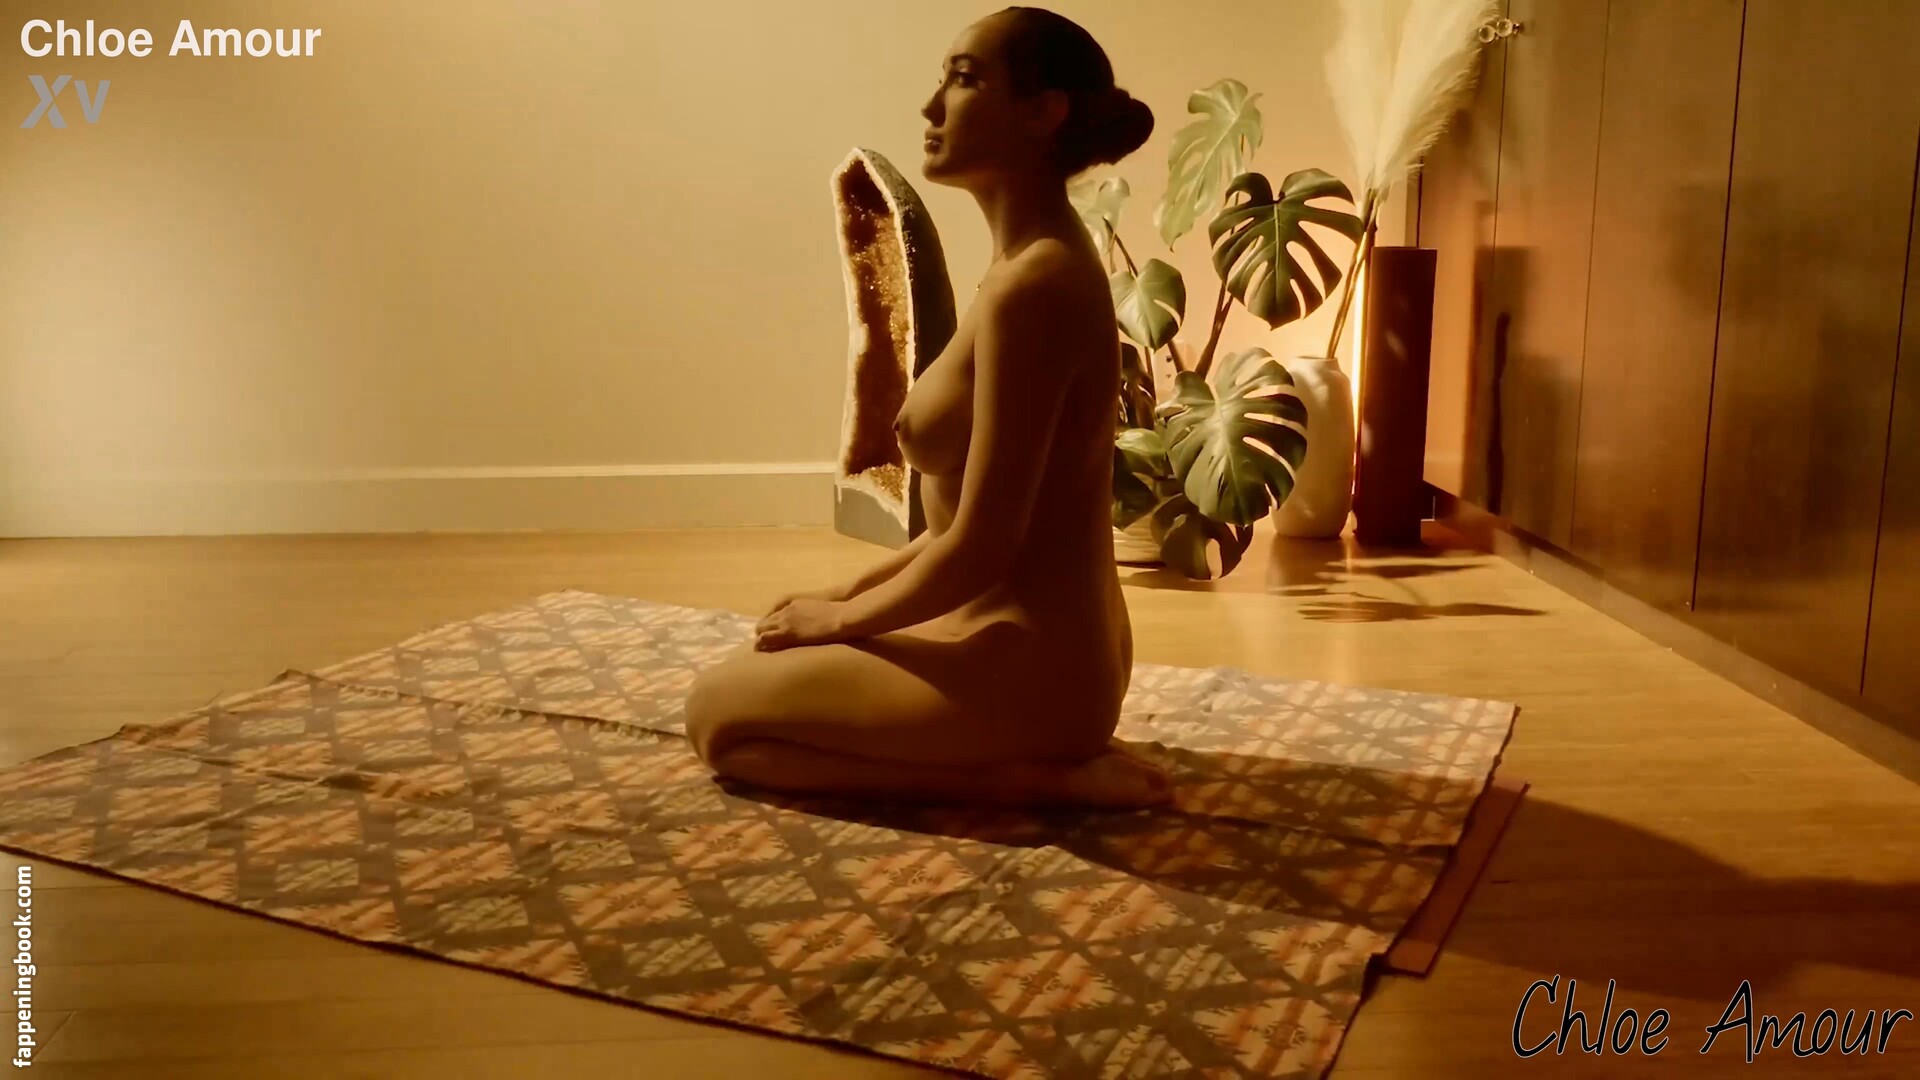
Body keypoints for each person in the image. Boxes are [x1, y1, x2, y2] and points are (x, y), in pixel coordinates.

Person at [684, 7, 1169, 809]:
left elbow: (982, 544)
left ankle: (1032, 780)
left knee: (719, 720)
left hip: (1035, 668)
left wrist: (841, 624)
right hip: (1009, 635)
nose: (931, 106)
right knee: (754, 674)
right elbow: (952, 534)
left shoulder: (1036, 285)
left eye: (965, 80)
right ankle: (1008, 759)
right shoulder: (1023, 266)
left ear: (1043, 112)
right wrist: (842, 596)